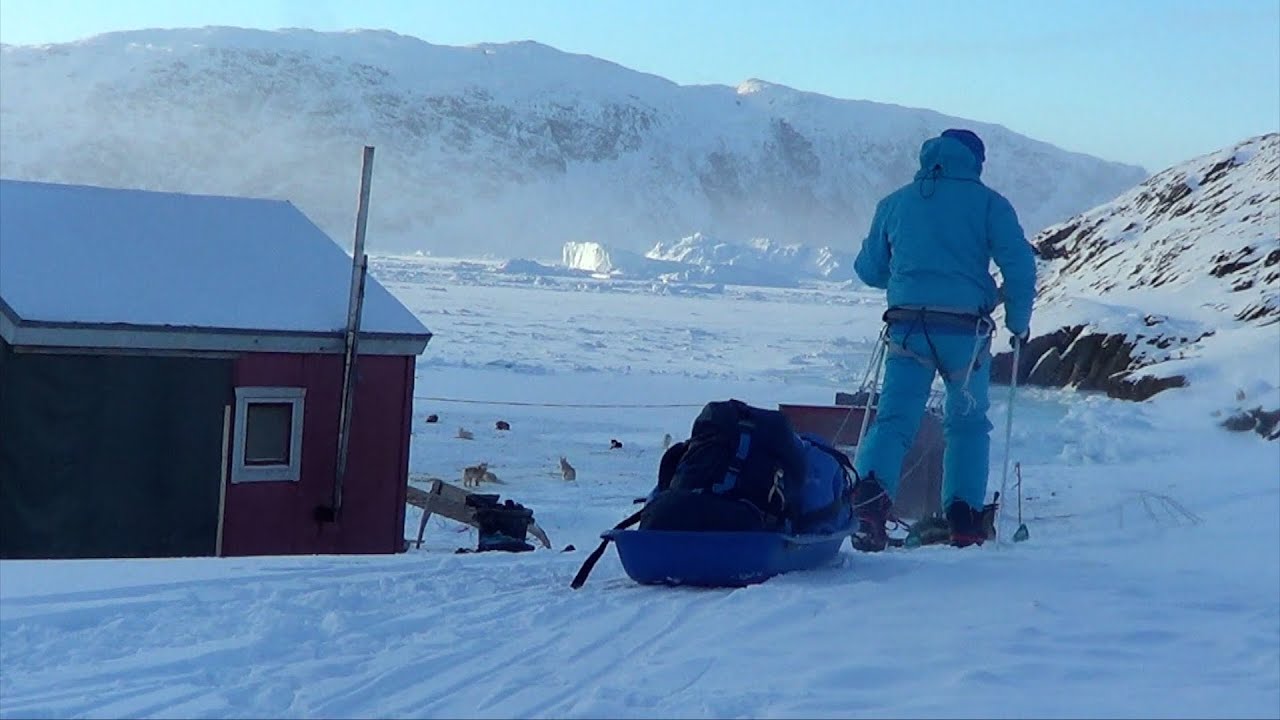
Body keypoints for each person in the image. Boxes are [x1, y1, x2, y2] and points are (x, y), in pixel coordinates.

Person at [849, 128, 1037, 551]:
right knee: (967, 424)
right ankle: (965, 520)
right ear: (975, 162)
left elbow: (870, 269)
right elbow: (1019, 265)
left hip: (908, 328)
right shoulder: (990, 204)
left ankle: (869, 508)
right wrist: (1018, 324)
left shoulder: (895, 203)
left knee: (895, 420)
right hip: (965, 333)